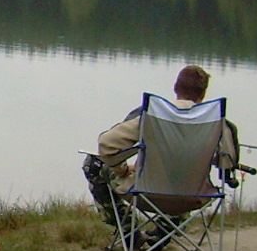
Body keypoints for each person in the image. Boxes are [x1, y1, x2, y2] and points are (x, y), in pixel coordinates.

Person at [84, 64, 238, 227]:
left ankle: (128, 229)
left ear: (175, 88)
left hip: (143, 194)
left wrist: (122, 170)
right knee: (185, 176)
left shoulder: (151, 115)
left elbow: (107, 144)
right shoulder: (219, 123)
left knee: (93, 163)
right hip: (194, 198)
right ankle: (162, 234)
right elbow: (228, 163)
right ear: (203, 93)